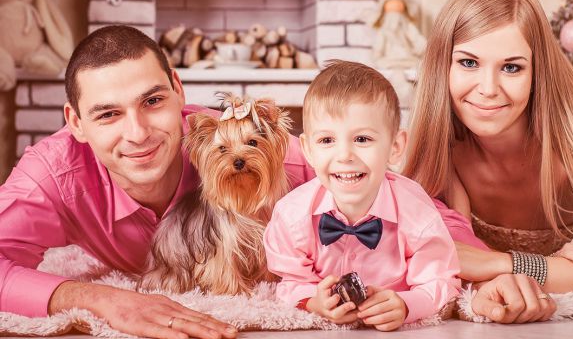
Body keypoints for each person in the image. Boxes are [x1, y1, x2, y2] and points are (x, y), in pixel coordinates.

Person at [0, 25, 315, 339]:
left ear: (178, 90)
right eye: (108, 114)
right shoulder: (51, 176)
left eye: (152, 101)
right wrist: (98, 299)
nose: (138, 134)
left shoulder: (280, 159)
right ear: (76, 123)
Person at [403, 0, 573, 323]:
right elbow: (424, 262)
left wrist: (498, 263)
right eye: (469, 63)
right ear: (442, 66)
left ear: (537, 72)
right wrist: (547, 270)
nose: (488, 88)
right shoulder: (440, 144)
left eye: (511, 67)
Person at [263, 61, 461, 331]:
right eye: (327, 140)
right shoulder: (292, 215)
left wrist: (407, 305)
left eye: (362, 139)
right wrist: (313, 302)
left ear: (395, 147)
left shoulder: (415, 212)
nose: (345, 155)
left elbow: (441, 281)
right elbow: (291, 283)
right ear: (308, 150)